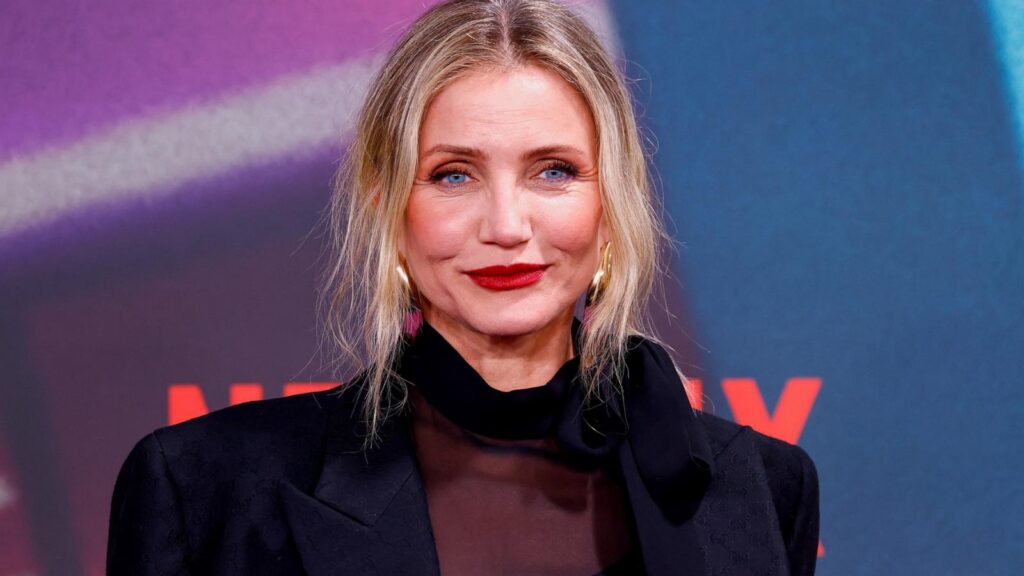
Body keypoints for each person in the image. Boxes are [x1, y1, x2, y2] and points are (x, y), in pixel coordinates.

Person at [107, 0, 820, 574]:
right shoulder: (202, 490)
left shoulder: (760, 488)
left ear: (611, 208)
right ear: (389, 210)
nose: (506, 226)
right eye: (454, 175)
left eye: (554, 171)